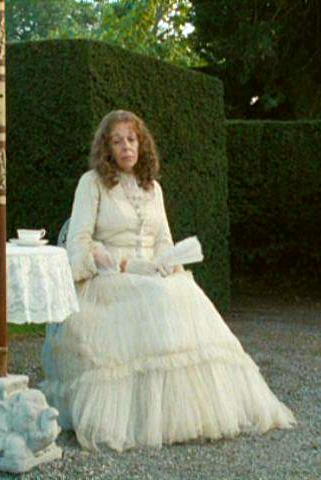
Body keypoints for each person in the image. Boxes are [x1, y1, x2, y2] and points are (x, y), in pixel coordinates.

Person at [41, 110, 295, 452]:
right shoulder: (92, 183)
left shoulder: (153, 188)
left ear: (142, 144)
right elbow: (79, 241)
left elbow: (163, 239)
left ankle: (188, 414)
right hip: (109, 276)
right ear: (106, 148)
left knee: (185, 294)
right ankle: (141, 419)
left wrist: (168, 263)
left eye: (132, 139)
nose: (126, 147)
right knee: (159, 299)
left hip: (150, 273)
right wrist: (102, 258)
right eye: (117, 141)